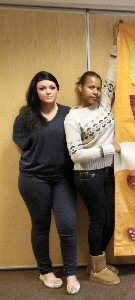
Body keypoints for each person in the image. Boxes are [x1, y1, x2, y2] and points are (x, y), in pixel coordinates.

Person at [64, 21, 122, 285]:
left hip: (107, 170)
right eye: (91, 87)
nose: (96, 91)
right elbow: (76, 155)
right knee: (98, 219)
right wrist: (109, 149)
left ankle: (99, 262)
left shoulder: (105, 104)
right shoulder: (72, 117)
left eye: (98, 88)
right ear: (80, 87)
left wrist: (116, 40)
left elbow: (112, 74)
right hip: (87, 176)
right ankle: (96, 269)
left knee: (109, 218)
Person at [13, 71, 80, 294]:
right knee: (40, 225)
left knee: (67, 225)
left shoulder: (69, 113)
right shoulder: (26, 116)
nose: (48, 91)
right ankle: (45, 271)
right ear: (36, 91)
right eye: (42, 88)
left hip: (63, 179)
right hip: (33, 179)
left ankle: (71, 273)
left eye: (51, 87)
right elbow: (21, 145)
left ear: (57, 89)